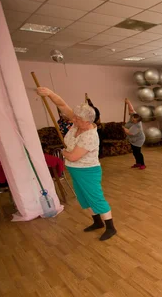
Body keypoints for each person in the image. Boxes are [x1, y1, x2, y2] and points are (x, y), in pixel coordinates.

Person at [37, 87, 117, 241]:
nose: (72, 120)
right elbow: (62, 105)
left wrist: (63, 152)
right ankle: (97, 222)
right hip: (76, 170)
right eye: (74, 118)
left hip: (88, 171)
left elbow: (73, 157)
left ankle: (111, 227)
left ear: (87, 121)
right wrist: (50, 94)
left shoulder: (90, 136)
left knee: (96, 198)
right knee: (84, 197)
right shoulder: (77, 123)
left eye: (77, 119)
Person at [123, 98, 146, 170]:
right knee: (134, 152)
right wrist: (128, 102)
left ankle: (142, 164)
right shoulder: (134, 116)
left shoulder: (137, 126)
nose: (132, 120)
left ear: (137, 121)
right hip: (132, 139)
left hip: (138, 140)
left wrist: (123, 127)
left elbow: (129, 132)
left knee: (138, 152)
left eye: (134, 120)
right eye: (132, 119)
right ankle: (138, 163)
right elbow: (131, 110)